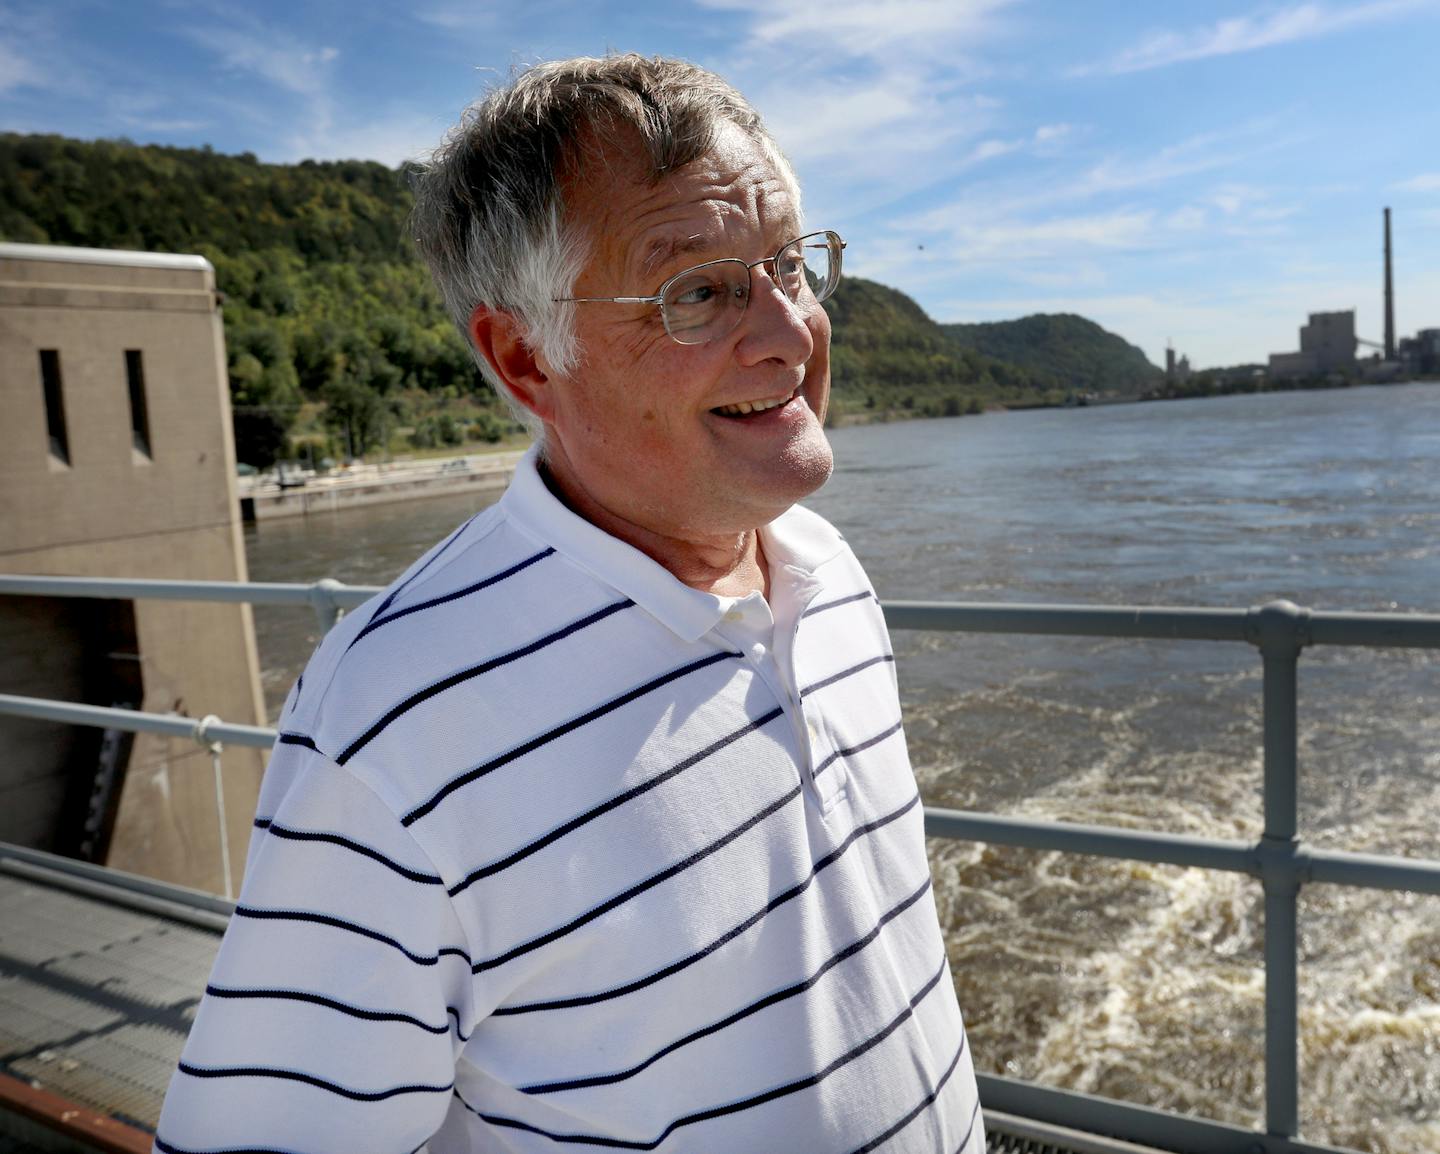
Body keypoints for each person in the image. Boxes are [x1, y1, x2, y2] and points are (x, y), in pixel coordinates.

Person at [155, 54, 983, 1154]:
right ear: (524, 357)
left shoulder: (827, 572)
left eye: (789, 263)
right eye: (697, 291)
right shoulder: (397, 721)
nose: (790, 331)